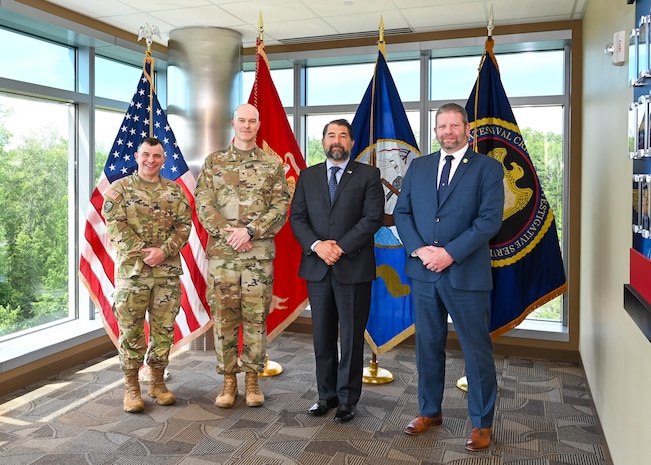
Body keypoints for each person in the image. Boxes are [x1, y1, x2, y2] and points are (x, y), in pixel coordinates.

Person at [393, 103, 504, 451]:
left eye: (455, 126)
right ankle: (429, 411)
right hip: (424, 272)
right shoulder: (420, 166)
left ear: (466, 129)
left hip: (466, 274)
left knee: (476, 350)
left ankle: (482, 423)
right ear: (436, 130)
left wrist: (449, 253)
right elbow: (402, 212)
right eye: (442, 126)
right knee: (427, 346)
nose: (448, 132)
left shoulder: (487, 168)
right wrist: (420, 250)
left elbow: (489, 221)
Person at [195, 103, 290, 409]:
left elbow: (280, 208)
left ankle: (252, 381)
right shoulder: (214, 162)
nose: (247, 125)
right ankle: (227, 381)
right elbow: (203, 205)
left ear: (259, 124)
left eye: (252, 120)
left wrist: (249, 232)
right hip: (223, 257)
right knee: (223, 320)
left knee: (255, 320)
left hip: (257, 258)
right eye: (242, 120)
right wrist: (230, 234)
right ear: (232, 123)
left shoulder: (272, 164)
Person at [289, 119, 384, 423]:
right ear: (323, 141)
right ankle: (325, 395)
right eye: (331, 135)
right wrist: (318, 245)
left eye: (343, 135)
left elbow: (372, 219)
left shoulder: (369, 175)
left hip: (352, 267)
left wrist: (339, 247)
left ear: (351, 142)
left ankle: (347, 399)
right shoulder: (308, 176)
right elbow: (298, 218)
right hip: (318, 267)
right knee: (322, 336)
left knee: (352, 337)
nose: (337, 140)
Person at [102, 136, 192, 413]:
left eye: (156, 155)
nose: (151, 160)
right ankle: (131, 387)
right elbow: (115, 227)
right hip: (133, 274)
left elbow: (184, 226)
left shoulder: (174, 192)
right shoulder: (120, 189)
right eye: (146, 154)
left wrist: (163, 252)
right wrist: (145, 252)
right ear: (137, 156)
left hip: (166, 274)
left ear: (164, 159)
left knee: (163, 331)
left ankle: (156, 383)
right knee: (131, 331)